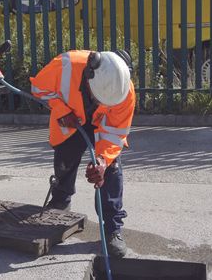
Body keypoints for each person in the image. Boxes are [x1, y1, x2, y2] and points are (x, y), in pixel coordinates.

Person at [30, 50, 136, 258]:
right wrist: (62, 111)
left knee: (112, 170)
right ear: (89, 75)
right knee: (65, 159)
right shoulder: (65, 66)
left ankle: (112, 228)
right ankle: (61, 201)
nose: (101, 103)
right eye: (98, 98)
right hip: (71, 121)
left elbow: (115, 134)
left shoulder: (124, 92)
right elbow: (38, 88)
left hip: (100, 126)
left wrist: (102, 162)